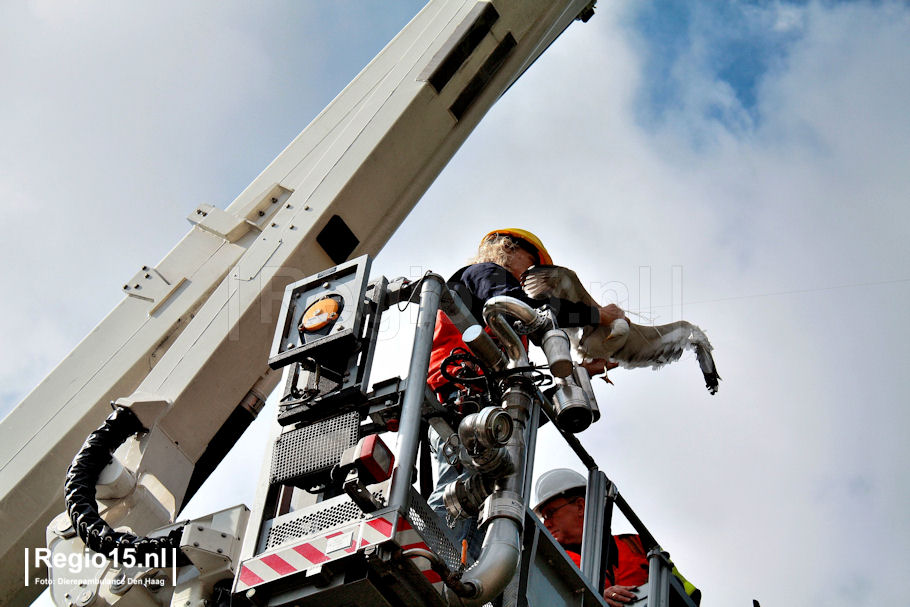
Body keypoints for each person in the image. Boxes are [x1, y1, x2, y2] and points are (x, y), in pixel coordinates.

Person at [425, 229, 626, 558]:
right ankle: (427, 558)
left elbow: (522, 385)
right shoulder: (487, 274)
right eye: (532, 267)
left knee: (479, 501)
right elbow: (526, 308)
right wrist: (597, 315)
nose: (534, 280)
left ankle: (458, 573)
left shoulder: (507, 332)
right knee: (461, 489)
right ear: (508, 248)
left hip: (480, 403)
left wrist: (581, 371)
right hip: (462, 395)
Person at [533, 468, 701, 606]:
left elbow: (688, 594)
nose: (546, 524)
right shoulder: (548, 563)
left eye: (550, 514)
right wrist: (596, 599)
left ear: (580, 506)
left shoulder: (639, 544)